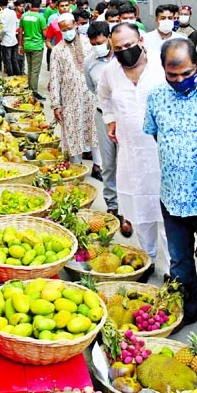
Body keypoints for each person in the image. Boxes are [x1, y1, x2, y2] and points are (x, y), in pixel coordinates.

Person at [144, 38, 197, 348]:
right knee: (179, 263)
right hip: (171, 197)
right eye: (172, 75)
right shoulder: (156, 97)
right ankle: (186, 311)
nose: (179, 80)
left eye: (185, 73)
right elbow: (156, 134)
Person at [98, 23, 170, 271]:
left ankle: (174, 270)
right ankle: (146, 261)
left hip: (163, 155)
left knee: (166, 217)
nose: (125, 51)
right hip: (130, 153)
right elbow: (104, 97)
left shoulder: (162, 66)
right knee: (139, 213)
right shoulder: (110, 71)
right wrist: (110, 120)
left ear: (140, 40)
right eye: (118, 48)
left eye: (129, 45)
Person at [84, 21, 133, 238]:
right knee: (108, 164)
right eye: (94, 44)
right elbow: (94, 89)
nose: (98, 47)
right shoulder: (90, 63)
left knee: (127, 165)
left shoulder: (125, 59)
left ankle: (128, 212)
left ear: (110, 39)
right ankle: (112, 205)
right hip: (103, 116)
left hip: (126, 118)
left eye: (101, 42)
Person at [49, 13, 99, 164]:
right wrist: (56, 104)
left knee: (95, 131)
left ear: (76, 26)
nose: (67, 32)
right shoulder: (57, 50)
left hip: (91, 97)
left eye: (69, 28)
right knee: (72, 132)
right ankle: (77, 166)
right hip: (70, 99)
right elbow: (54, 78)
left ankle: (98, 166)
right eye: (63, 30)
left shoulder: (88, 44)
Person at [19, 0, 47, 99]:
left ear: (30, 4)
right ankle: (34, 91)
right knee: (35, 70)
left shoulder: (24, 16)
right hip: (37, 46)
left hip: (27, 45)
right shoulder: (41, 17)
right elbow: (45, 34)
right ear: (40, 5)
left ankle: (30, 88)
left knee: (30, 68)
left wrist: (20, 45)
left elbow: (20, 32)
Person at [45, 0, 71, 72]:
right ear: (58, 8)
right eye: (62, 6)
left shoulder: (74, 18)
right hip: (58, 51)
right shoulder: (53, 19)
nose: (65, 8)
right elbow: (48, 39)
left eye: (66, 5)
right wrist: (54, 49)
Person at [0, 0, 21, 76]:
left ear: (0, 4)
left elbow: (4, 29)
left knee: (7, 60)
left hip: (6, 40)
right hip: (14, 39)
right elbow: (17, 24)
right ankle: (18, 75)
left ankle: (11, 76)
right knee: (14, 59)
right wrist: (13, 31)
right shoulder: (12, 12)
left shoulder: (2, 14)